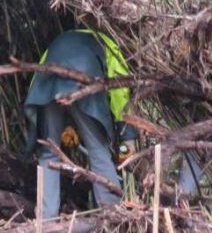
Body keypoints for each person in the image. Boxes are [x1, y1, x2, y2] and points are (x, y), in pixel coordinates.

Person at [24, 29, 136, 219]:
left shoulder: (58, 42)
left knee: (49, 151)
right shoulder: (110, 47)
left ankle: (45, 220)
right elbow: (121, 93)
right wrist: (128, 137)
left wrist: (41, 123)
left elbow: (38, 81)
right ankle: (113, 215)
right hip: (83, 80)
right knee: (97, 149)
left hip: (47, 82)